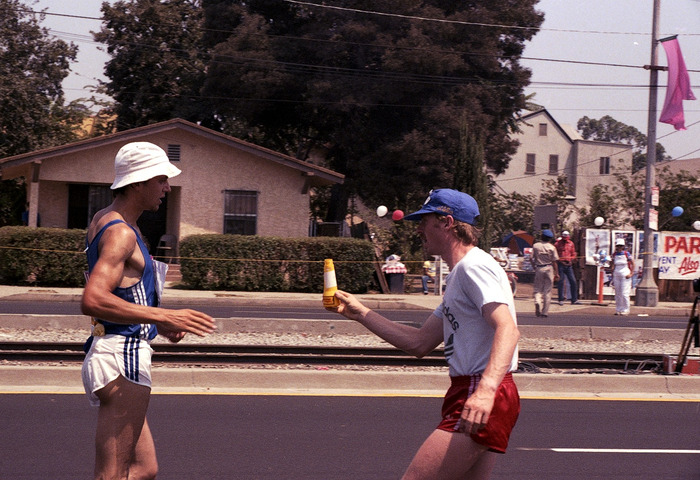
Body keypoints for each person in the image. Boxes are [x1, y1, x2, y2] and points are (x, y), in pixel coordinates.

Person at [328, 188, 520, 480]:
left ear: (446, 222)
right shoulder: (460, 274)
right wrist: (360, 313)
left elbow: (507, 328)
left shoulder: (473, 267)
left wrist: (485, 390)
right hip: (479, 390)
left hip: (480, 389)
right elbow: (419, 342)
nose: (418, 229)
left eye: (424, 221)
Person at [81, 142, 217, 480]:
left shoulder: (106, 219)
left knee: (144, 469)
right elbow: (94, 299)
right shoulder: (121, 234)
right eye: (160, 180)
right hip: (121, 356)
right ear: (138, 181)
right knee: (111, 475)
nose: (167, 188)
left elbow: (124, 291)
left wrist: (157, 324)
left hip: (117, 349)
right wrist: (165, 316)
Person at [531, 230, 559, 318]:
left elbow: (531, 258)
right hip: (549, 268)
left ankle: (537, 301)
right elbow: (554, 261)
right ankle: (545, 312)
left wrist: (534, 267)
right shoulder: (552, 247)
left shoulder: (536, 246)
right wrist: (556, 273)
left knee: (537, 289)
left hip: (539, 267)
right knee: (547, 290)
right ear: (550, 239)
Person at [554, 230, 581, 305]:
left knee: (573, 281)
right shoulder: (557, 244)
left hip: (569, 265)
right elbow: (555, 255)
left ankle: (574, 299)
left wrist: (571, 260)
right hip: (560, 264)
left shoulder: (571, 244)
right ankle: (560, 299)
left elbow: (573, 253)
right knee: (561, 282)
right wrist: (560, 261)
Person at [612, 238, 634, 316]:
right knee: (618, 293)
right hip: (616, 274)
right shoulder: (614, 254)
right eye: (618, 246)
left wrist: (631, 273)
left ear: (623, 246)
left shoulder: (626, 254)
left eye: (621, 246)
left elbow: (632, 263)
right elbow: (613, 264)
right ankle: (618, 309)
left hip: (625, 274)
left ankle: (626, 309)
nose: (619, 247)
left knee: (624, 293)